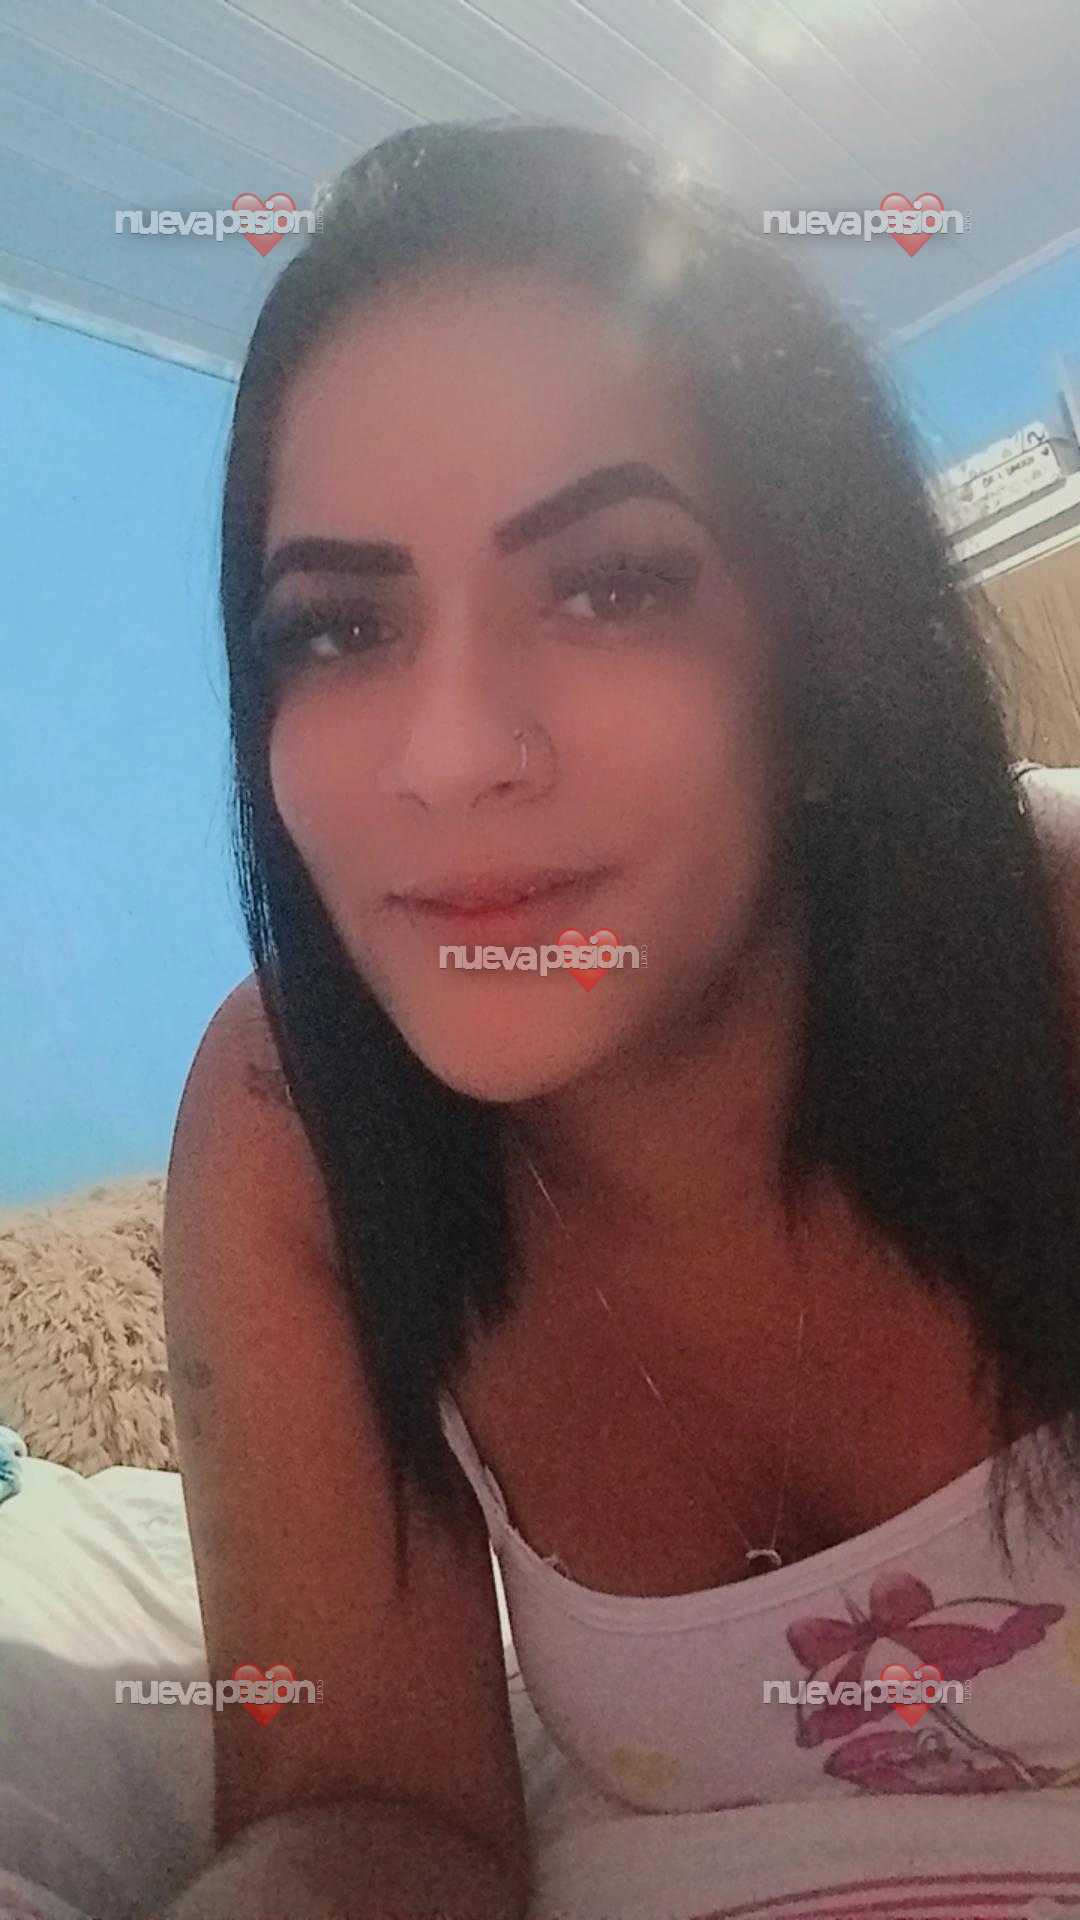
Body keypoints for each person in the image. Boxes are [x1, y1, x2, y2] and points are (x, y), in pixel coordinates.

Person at [158, 119, 1080, 1920]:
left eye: (609, 584)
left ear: (822, 648)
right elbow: (369, 1804)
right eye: (337, 628)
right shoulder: (289, 1129)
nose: (451, 756)